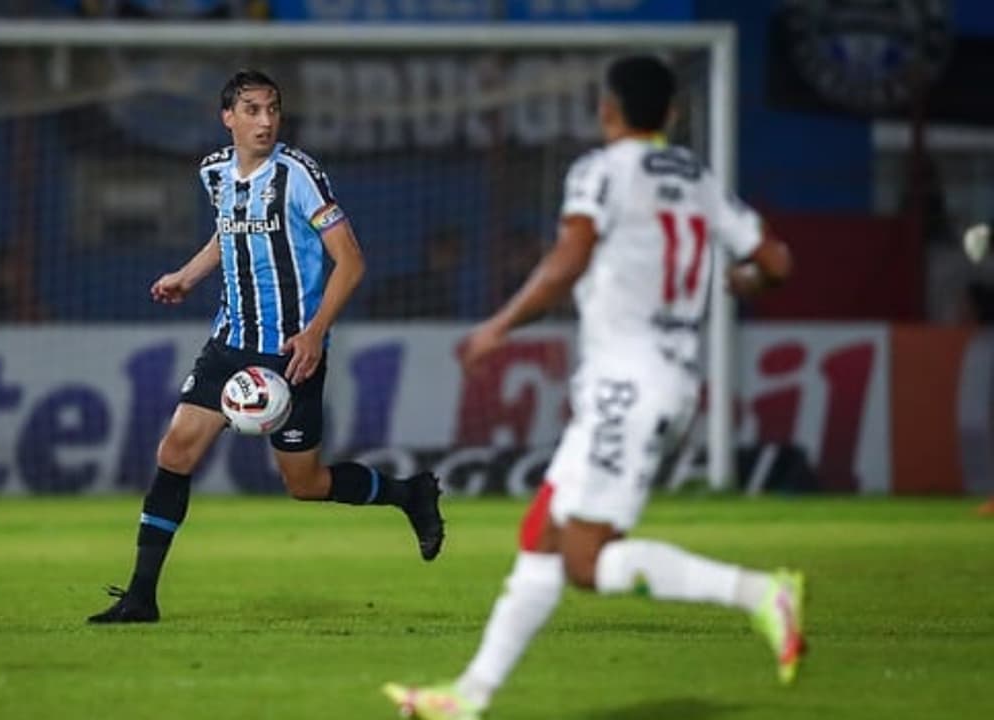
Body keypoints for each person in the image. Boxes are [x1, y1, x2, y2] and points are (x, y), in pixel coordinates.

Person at [383, 56, 799, 719]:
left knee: (583, 561)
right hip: (661, 378)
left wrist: (499, 326)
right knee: (540, 535)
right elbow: (774, 261)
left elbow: (568, 260)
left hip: (627, 387)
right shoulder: (697, 176)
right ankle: (467, 696)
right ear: (670, 115)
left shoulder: (599, 172)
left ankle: (758, 593)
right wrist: (740, 283)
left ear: (608, 112)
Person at [88, 69, 445, 624]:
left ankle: (411, 495)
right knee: (175, 452)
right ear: (227, 117)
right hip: (230, 344)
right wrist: (187, 275)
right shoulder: (213, 173)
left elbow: (350, 261)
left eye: (273, 109)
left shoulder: (298, 174)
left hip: (291, 354)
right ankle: (141, 597)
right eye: (252, 110)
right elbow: (227, 233)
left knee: (306, 485)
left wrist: (315, 332)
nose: (265, 120)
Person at [367, 226, 463, 319]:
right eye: (445, 250)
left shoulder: (447, 293)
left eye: (455, 251)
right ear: (431, 250)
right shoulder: (405, 288)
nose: (448, 257)